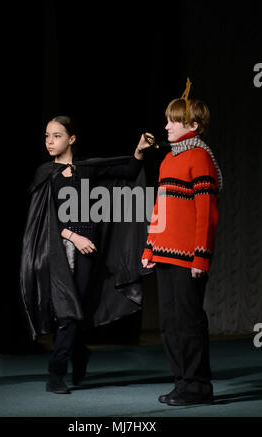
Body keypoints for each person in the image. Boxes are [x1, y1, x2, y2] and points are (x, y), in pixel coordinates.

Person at [20, 115, 152, 394]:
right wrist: (72, 236)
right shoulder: (46, 174)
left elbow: (127, 173)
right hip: (56, 251)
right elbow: (43, 222)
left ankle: (78, 353)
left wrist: (138, 151)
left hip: (87, 252)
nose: (49, 141)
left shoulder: (87, 170)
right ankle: (57, 371)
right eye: (46, 136)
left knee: (74, 310)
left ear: (72, 139)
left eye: (56, 135)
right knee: (66, 311)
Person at [142, 79, 222, 406]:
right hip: (163, 254)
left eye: (173, 121)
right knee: (169, 324)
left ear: (193, 125)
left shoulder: (200, 157)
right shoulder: (168, 159)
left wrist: (201, 257)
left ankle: (198, 386)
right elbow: (160, 207)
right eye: (168, 119)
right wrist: (149, 247)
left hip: (188, 257)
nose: (167, 126)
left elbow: (207, 212)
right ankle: (182, 382)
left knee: (189, 322)